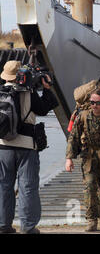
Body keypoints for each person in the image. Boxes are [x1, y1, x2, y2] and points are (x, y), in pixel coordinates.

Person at [0, 61, 58, 234]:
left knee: (3, 185)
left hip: (3, 147)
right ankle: (28, 226)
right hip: (26, 146)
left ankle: (3, 225)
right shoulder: (28, 92)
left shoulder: (1, 91)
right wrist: (47, 88)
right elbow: (43, 109)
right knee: (28, 186)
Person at [65, 89, 100, 232]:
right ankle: (91, 219)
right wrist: (69, 158)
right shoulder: (83, 117)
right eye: (92, 103)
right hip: (89, 157)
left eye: (97, 103)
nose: (94, 106)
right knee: (89, 187)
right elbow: (73, 137)